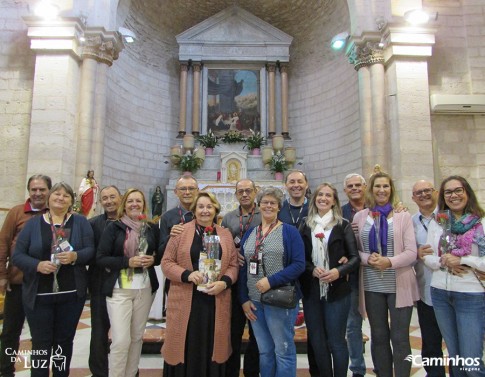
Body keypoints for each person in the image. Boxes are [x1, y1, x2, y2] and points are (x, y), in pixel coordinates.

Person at [12, 182, 95, 377]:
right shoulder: (33, 223)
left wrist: (75, 257)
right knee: (41, 342)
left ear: (71, 202)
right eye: (57, 194)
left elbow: (91, 250)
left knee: (64, 342)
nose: (61, 198)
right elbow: (17, 255)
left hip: (71, 294)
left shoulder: (81, 222)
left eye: (66, 196)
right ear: (49, 199)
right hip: (40, 295)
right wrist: (37, 265)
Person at [161, 191, 239, 377]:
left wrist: (225, 282)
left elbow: (233, 265)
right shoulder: (180, 232)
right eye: (201, 207)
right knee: (185, 342)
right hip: (186, 298)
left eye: (209, 206)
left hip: (215, 299)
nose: (205, 210)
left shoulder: (225, 234)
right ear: (194, 210)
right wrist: (187, 274)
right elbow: (166, 263)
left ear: (216, 209)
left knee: (213, 343)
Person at [353, 171, 419, 377]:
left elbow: (411, 252)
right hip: (372, 284)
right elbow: (354, 250)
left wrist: (388, 261)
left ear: (391, 189)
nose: (382, 190)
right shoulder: (360, 216)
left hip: (399, 283)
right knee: (379, 335)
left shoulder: (402, 216)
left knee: (400, 338)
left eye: (386, 186)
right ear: (370, 190)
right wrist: (367, 259)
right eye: (377, 186)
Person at [239, 186, 305, 377]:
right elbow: (243, 267)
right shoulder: (250, 233)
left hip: (279, 299)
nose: (268, 206)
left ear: (279, 207)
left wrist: (271, 281)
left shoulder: (289, 232)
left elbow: (299, 265)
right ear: (258, 206)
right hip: (254, 302)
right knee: (265, 352)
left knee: (283, 351)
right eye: (265, 202)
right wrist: (243, 299)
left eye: (272, 203)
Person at [423, 175, 485, 377]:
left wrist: (465, 260)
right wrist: (443, 261)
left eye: (458, 190)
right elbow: (428, 255)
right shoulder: (439, 221)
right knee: (455, 358)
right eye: (448, 192)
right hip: (440, 293)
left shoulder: (481, 222)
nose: (454, 195)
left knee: (471, 359)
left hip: (470, 295)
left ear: (467, 192)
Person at [96, 188, 160, 377]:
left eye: (138, 201)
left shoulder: (150, 228)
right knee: (121, 340)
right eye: (131, 201)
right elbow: (100, 258)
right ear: (125, 204)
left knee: (137, 338)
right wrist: (127, 262)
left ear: (143, 205)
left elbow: (157, 254)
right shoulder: (114, 227)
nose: (134, 204)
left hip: (144, 289)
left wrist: (153, 260)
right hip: (119, 290)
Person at [299, 183, 360, 377]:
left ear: (334, 200)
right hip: (312, 290)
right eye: (320, 195)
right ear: (314, 199)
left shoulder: (342, 224)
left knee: (336, 341)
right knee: (317, 340)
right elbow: (300, 258)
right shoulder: (305, 224)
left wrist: (338, 271)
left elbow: (354, 258)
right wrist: (312, 270)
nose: (323, 198)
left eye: (328, 195)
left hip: (337, 290)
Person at [0, 174, 52, 377]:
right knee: (10, 332)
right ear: (29, 191)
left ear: (49, 190)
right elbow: (3, 244)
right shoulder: (16, 213)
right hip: (18, 282)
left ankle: (38, 373)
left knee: (41, 335)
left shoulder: (53, 214)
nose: (38, 193)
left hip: (44, 285)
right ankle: (5, 371)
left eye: (42, 189)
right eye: (34, 190)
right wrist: (3, 275)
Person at [276, 170, 318, 377]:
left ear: (306, 184)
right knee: (284, 330)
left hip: (312, 274)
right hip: (286, 277)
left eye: (300, 181)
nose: (296, 185)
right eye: (291, 181)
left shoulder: (317, 208)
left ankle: (316, 370)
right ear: (285, 185)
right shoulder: (279, 210)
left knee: (315, 328)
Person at [221, 179, 261, 377]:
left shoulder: (264, 214)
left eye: (248, 191)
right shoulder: (228, 218)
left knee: (257, 332)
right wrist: (232, 253)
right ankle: (231, 372)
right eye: (240, 191)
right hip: (235, 281)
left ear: (255, 192)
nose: (244, 194)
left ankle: (252, 371)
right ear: (236, 194)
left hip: (257, 279)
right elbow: (220, 245)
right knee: (233, 331)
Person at [411, 180, 448, 377]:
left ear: (435, 192)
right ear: (413, 198)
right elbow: (406, 252)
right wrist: (415, 253)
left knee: (458, 341)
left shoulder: (450, 217)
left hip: (454, 287)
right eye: (419, 192)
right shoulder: (410, 222)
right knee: (431, 342)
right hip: (426, 288)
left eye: (427, 190)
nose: (424, 194)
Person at [87, 185, 122, 377]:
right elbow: (91, 254)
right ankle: (98, 372)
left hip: (124, 286)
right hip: (100, 284)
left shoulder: (130, 222)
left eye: (112, 197)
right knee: (99, 332)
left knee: (123, 334)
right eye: (105, 198)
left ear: (120, 198)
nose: (109, 201)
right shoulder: (92, 224)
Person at [158, 175, 199, 314]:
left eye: (191, 188)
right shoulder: (167, 217)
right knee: (179, 318)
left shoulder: (205, 214)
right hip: (177, 277)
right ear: (176, 192)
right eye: (183, 189)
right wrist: (172, 237)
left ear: (197, 191)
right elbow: (160, 251)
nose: (187, 192)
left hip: (201, 275)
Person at [341, 173, 368, 377]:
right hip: (352, 274)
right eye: (350, 186)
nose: (354, 188)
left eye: (358, 185)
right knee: (352, 324)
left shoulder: (379, 209)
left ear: (365, 187)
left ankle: (382, 363)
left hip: (376, 272)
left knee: (380, 324)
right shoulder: (340, 213)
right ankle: (357, 368)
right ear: (345, 190)